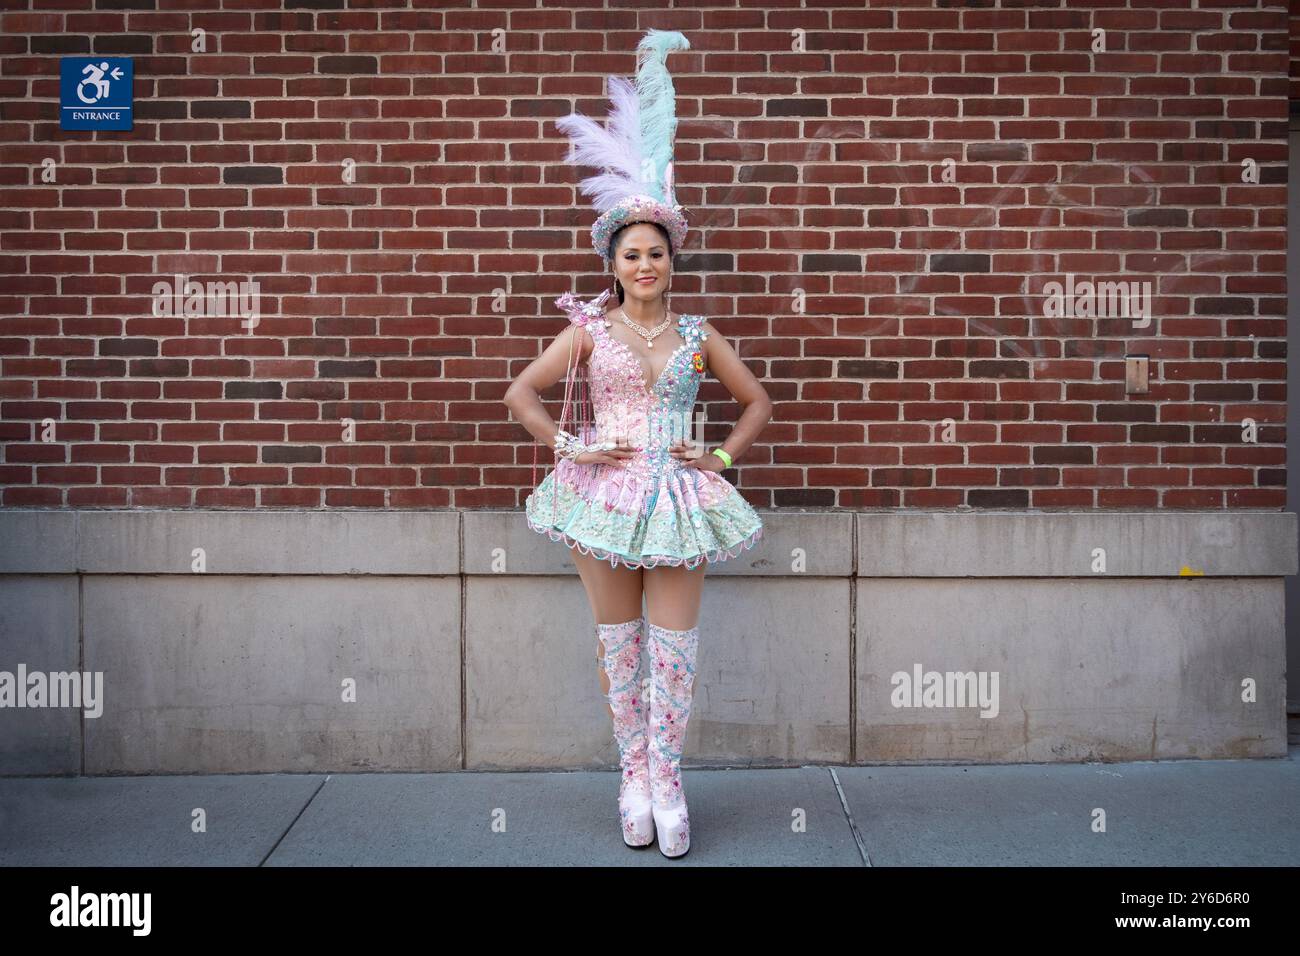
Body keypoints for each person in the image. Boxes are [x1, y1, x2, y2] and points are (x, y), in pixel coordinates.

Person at [503, 30, 771, 858]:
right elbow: (521, 393)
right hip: (605, 494)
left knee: (675, 649)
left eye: (656, 252)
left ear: (670, 260)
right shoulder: (588, 329)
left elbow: (756, 402)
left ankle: (669, 776)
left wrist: (721, 458)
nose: (645, 263)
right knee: (618, 646)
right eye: (632, 253)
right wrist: (565, 446)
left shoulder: (698, 332)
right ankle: (631, 775)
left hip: (681, 494)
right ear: (613, 263)